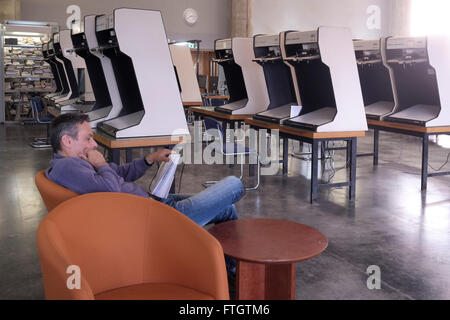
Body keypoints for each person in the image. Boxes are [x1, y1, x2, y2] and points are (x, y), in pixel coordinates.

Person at [46, 113, 243, 227]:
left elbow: (118, 173)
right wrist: (101, 164)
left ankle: (230, 269)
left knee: (227, 209)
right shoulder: (67, 167)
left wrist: (150, 159)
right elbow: (110, 189)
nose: (94, 145)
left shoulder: (76, 162)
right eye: (88, 138)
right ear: (67, 141)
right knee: (234, 184)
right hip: (155, 218)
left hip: (154, 203)